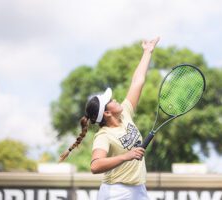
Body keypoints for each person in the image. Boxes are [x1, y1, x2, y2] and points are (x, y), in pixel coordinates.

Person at [59, 37, 160, 199]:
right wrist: (126, 156)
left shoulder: (125, 113)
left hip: (138, 189)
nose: (115, 100)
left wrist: (147, 52)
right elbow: (95, 165)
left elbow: (137, 82)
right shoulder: (104, 136)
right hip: (116, 192)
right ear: (106, 113)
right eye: (111, 101)